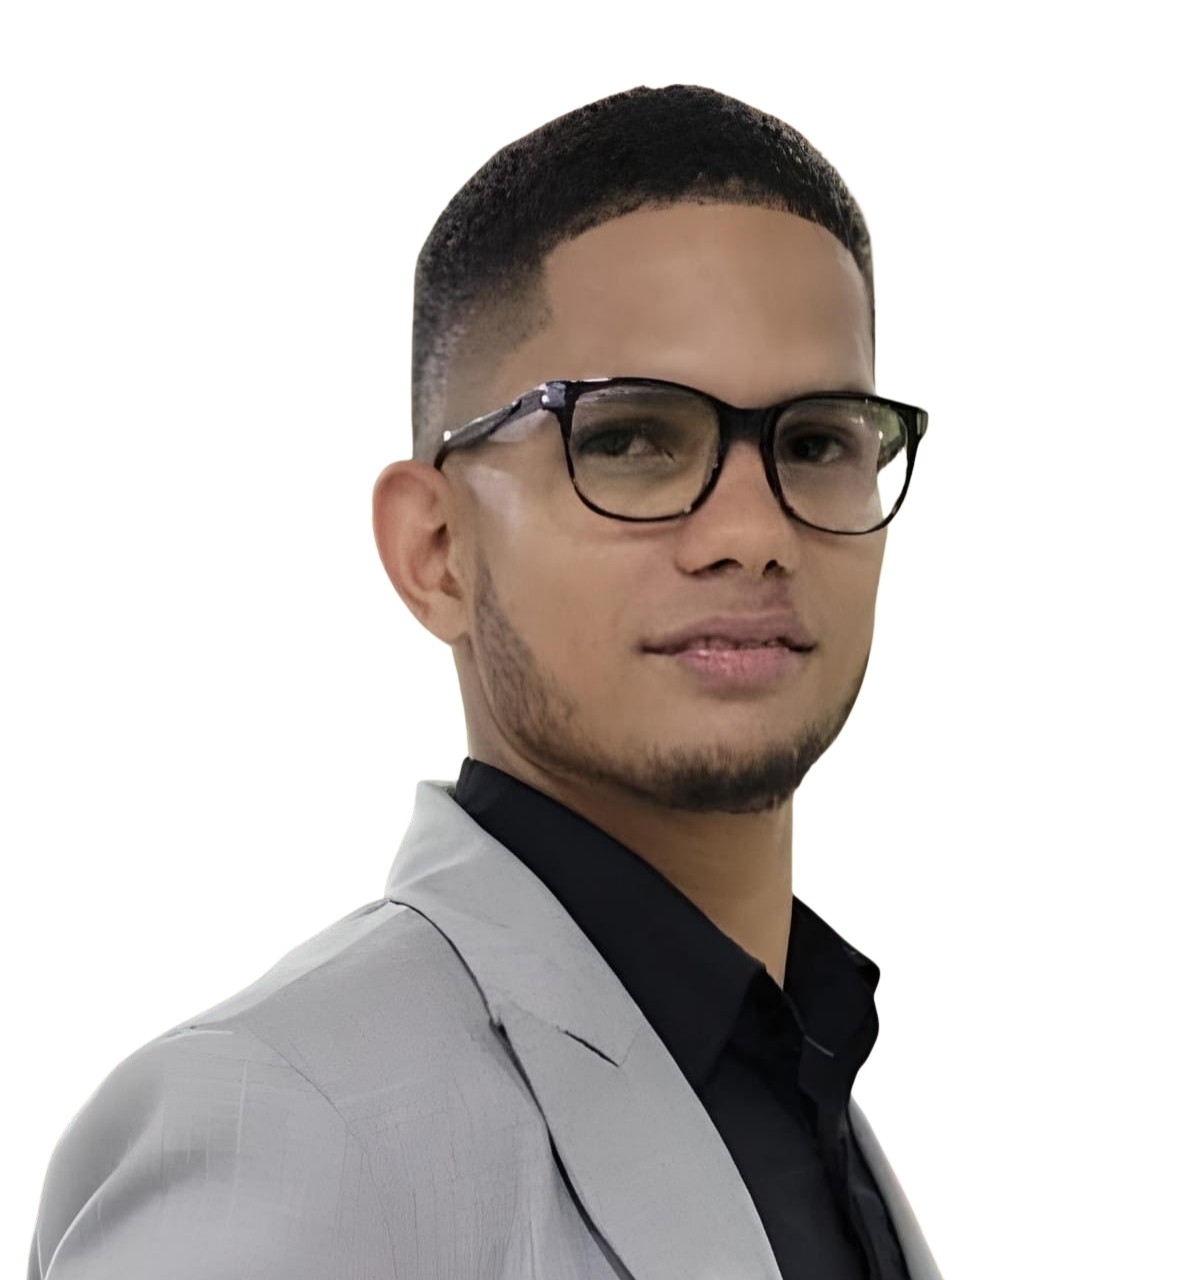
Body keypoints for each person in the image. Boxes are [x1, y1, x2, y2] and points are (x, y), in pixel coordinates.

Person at [28, 83, 940, 1279]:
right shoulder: (286, 1121)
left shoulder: (804, 1093)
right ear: (437, 549)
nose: (752, 532)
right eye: (629, 438)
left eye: (815, 441)